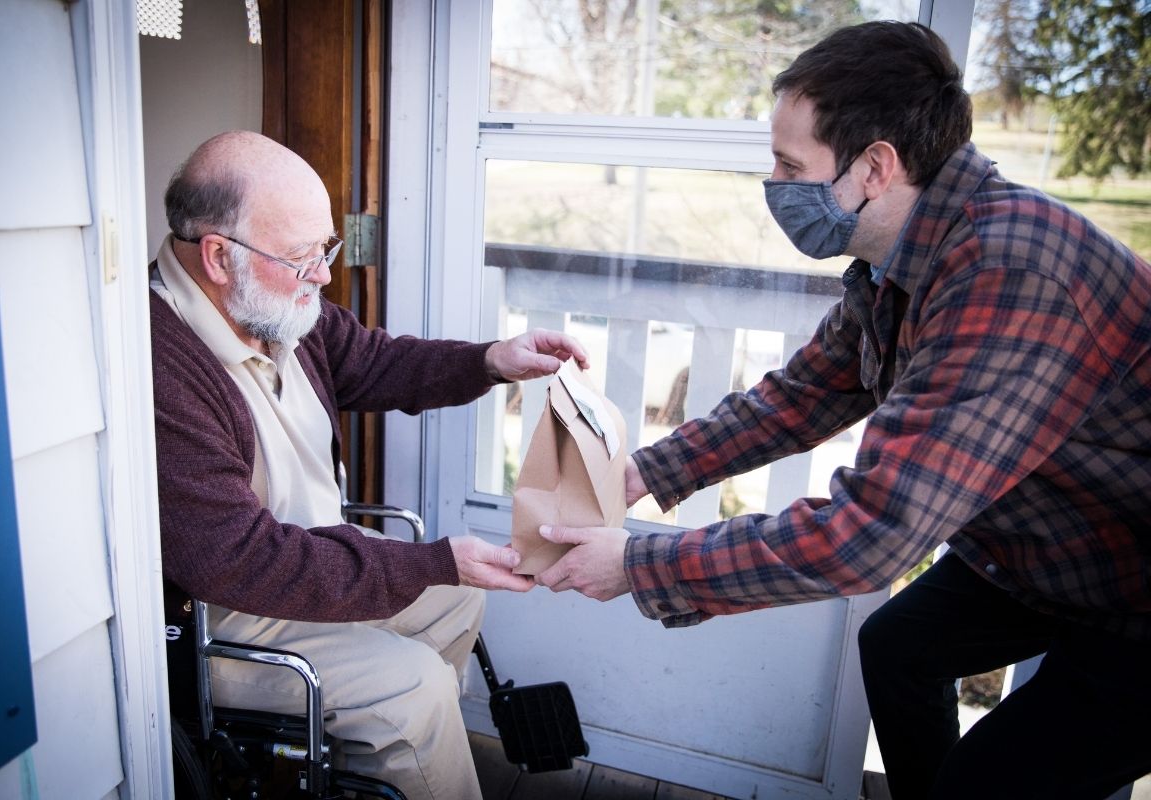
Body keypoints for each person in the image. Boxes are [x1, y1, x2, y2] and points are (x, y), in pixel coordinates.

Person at [532, 21, 1151, 800]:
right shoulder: (902, 259)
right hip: (1052, 549)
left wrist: (636, 564)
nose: (775, 184)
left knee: (986, 784)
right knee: (899, 648)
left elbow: (870, 536)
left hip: (1136, 591)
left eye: (790, 165)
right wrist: (640, 473)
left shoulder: (1009, 272)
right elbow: (803, 395)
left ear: (875, 167)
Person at [151, 130, 587, 800]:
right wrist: (431, 560)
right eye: (304, 258)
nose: (323, 276)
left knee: (457, 597)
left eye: (324, 249)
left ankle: (379, 769)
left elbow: (376, 362)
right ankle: (408, 745)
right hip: (227, 619)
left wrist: (491, 360)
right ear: (217, 256)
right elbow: (240, 561)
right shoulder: (162, 362)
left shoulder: (272, 304)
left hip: (314, 565)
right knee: (414, 688)